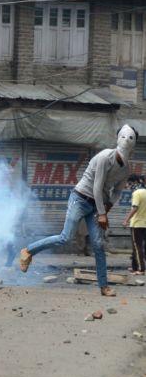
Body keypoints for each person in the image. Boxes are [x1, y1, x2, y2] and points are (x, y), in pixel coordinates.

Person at [20, 125, 139, 296]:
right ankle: (28, 251)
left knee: (98, 245)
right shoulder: (105, 157)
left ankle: (103, 286)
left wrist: (107, 207)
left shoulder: (126, 169)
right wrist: (103, 214)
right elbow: (97, 187)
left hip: (96, 206)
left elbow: (118, 191)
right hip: (80, 198)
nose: (127, 141)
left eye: (131, 139)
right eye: (125, 137)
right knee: (65, 237)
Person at [123, 174, 146, 275]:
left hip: (137, 224)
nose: (127, 186)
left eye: (128, 183)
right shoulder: (145, 191)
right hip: (144, 223)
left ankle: (141, 269)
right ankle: (135, 266)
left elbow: (135, 208)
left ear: (134, 182)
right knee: (137, 247)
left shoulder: (137, 193)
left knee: (137, 246)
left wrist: (126, 220)